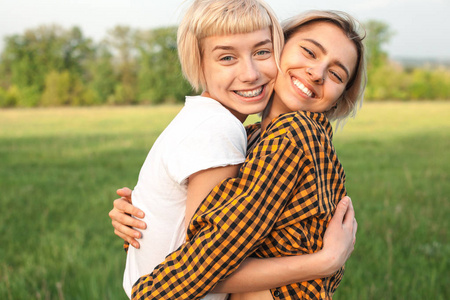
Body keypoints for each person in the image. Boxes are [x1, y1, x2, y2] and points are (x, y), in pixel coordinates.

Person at [111, 8, 365, 300]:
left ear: (339, 98)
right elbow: (207, 226)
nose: (317, 73)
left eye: (336, 74)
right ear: (279, 48)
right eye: (309, 51)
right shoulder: (253, 137)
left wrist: (151, 292)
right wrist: (149, 211)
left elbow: (215, 253)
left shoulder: (294, 134)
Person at [119, 0, 284, 298]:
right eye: (227, 58)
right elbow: (206, 263)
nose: (249, 73)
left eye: (262, 52)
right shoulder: (218, 127)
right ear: (200, 64)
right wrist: (323, 263)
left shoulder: (204, 118)